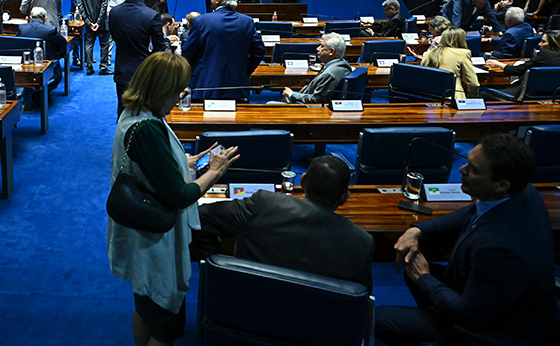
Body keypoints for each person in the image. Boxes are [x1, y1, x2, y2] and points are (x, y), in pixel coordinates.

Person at [375, 134, 560, 346]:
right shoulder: (522, 191)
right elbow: (474, 210)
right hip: (489, 298)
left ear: (501, 185)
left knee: (382, 319)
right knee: (410, 265)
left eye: (473, 169)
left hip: (497, 334)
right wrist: (418, 230)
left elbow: (471, 316)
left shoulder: (499, 248)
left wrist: (424, 276)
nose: (461, 170)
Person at [107, 52, 240, 346]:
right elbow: (181, 195)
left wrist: (183, 161)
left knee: (144, 304)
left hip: (140, 228)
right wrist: (215, 172)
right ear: (161, 91)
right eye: (177, 91)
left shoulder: (136, 113)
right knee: (164, 319)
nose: (179, 97)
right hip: (155, 238)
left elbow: (146, 165)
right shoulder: (148, 129)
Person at [197, 155, 374, 291]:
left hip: (249, 308)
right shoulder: (362, 242)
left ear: (302, 181)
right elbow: (359, 300)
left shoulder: (263, 204)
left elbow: (200, 216)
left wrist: (217, 267)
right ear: (345, 197)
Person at [182, 0, 265, 101]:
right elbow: (259, 51)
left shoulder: (202, 21)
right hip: (237, 85)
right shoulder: (247, 22)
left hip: (206, 85)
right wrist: (244, 70)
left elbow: (187, 52)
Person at [108, 0, 167, 116]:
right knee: (145, 112)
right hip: (144, 72)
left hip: (122, 69)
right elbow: (159, 47)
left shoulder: (114, 12)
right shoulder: (152, 15)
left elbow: (114, 36)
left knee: (123, 111)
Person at [278, 32, 351, 103]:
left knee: (270, 104)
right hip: (310, 100)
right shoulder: (341, 64)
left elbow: (316, 100)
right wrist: (308, 87)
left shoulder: (330, 73)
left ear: (331, 51)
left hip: (311, 110)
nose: (317, 48)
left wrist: (292, 94)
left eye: (322, 46)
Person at [485, 30, 560, 99]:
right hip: (550, 96)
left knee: (483, 93)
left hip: (523, 94)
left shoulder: (545, 55)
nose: (539, 44)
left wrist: (497, 64)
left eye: (543, 42)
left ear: (554, 45)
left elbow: (516, 70)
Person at [421, 28, 479, 99]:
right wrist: (471, 100)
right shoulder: (463, 53)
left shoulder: (427, 54)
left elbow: (422, 79)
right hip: (453, 98)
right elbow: (473, 83)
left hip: (430, 98)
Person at [17, 6, 65, 90]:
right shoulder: (50, 30)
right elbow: (63, 42)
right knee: (58, 76)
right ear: (45, 18)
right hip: (46, 62)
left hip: (27, 62)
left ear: (31, 17)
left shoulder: (22, 28)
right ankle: (42, 93)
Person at [78, 0, 111, 75]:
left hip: (89, 24)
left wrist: (89, 23)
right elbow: (103, 7)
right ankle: (103, 67)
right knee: (104, 44)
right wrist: (98, 22)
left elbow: (81, 9)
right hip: (103, 23)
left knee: (89, 44)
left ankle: (89, 67)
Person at [68, 0, 92, 66]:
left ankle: (87, 58)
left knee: (88, 35)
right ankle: (76, 58)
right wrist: (80, 10)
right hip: (78, 12)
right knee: (77, 36)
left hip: (88, 11)